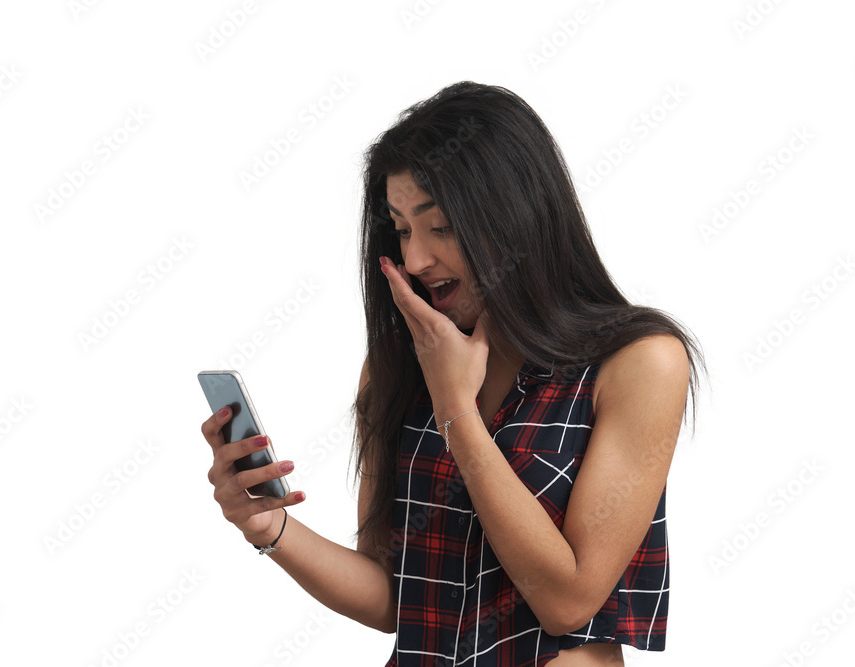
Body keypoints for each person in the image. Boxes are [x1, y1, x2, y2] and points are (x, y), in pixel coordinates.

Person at [202, 81, 706, 666]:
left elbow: (568, 603)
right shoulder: (395, 370)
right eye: (402, 229)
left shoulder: (639, 362)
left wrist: (457, 410)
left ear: (518, 218)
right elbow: (394, 595)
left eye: (439, 226)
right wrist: (270, 527)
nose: (415, 260)